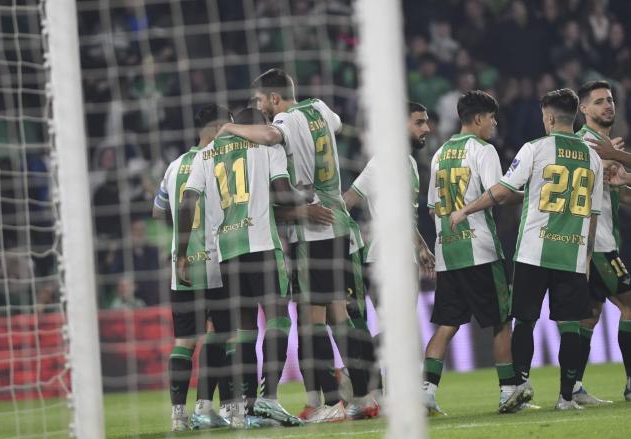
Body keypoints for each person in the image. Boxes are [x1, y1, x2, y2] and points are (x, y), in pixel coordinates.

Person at [217, 68, 378, 421]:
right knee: (340, 315)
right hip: (338, 222)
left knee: (311, 322)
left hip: (312, 230)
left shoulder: (285, 123)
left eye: (263, 101)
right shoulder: (320, 108)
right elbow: (335, 126)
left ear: (274, 98)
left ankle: (331, 402)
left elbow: (273, 135)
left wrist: (229, 127)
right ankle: (363, 396)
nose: (262, 108)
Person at [451, 88, 603, 412]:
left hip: (534, 251)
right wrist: (587, 258)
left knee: (525, 321)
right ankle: (566, 398)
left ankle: (520, 385)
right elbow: (592, 215)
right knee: (572, 326)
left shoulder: (535, 148)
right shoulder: (593, 158)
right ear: (575, 115)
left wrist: (466, 210)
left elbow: (503, 191)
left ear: (548, 117)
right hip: (573, 254)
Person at [177, 107, 312, 428]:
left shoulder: (206, 153)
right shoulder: (268, 147)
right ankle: (269, 400)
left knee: (244, 331)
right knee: (279, 319)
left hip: (228, 252)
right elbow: (282, 193)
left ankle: (248, 407)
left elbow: (187, 201)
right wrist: (305, 196)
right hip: (263, 245)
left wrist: (181, 253)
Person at [423, 91, 515, 416]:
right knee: (502, 321)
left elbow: (434, 209)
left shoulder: (438, 154)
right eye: (491, 117)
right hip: (481, 251)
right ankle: (508, 391)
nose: (494, 123)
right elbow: (497, 194)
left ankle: (426, 393)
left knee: (447, 325)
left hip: (448, 252)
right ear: (478, 119)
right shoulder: (483, 150)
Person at [342, 102, 436, 407]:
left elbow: (396, 212)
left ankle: (384, 393)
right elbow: (350, 201)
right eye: (420, 122)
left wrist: (419, 246)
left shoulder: (403, 162)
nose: (427, 129)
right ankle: (354, 371)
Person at [153, 104, 232, 431]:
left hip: (181, 267)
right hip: (215, 262)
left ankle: (178, 416)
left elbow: (158, 212)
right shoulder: (219, 161)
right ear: (215, 130)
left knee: (184, 341)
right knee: (221, 334)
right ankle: (211, 406)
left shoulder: (174, 166)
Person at [575, 80, 631, 403]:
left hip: (601, 242)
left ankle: (574, 387)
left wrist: (621, 177)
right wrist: (610, 159)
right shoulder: (587, 145)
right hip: (597, 244)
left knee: (591, 314)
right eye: (598, 102)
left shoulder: (604, 145)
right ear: (583, 109)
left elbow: (618, 196)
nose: (607, 105)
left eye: (610, 100)